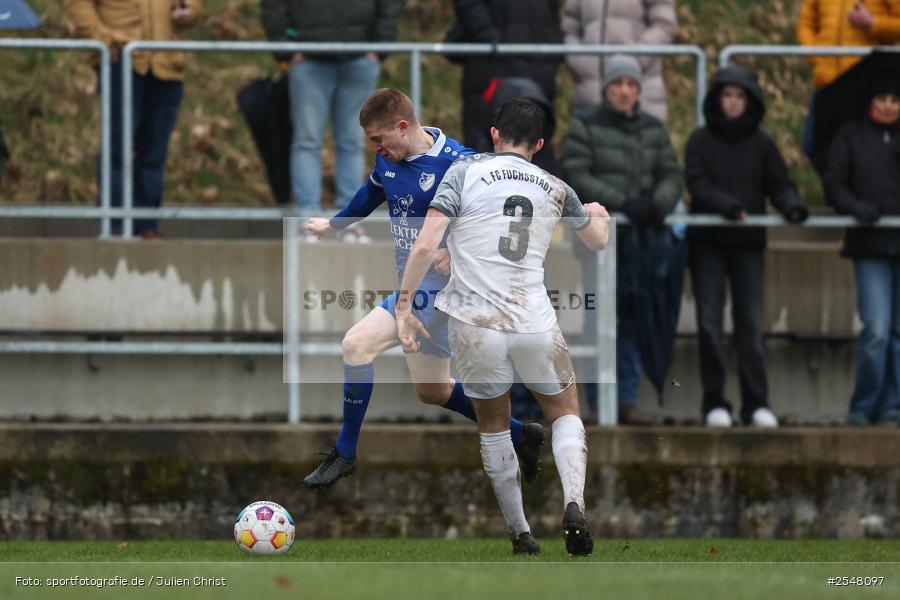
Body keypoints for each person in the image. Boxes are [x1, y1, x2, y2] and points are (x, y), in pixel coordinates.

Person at [396, 99, 610, 556]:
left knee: (493, 424)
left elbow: (424, 246)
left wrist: (403, 305)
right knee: (564, 411)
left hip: (474, 324)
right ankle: (574, 502)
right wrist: (600, 217)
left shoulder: (464, 172)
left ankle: (521, 533)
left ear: (494, 135)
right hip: (534, 320)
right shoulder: (556, 186)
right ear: (539, 144)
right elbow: (595, 240)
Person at [301, 89, 544, 488]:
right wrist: (334, 224)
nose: (376, 148)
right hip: (417, 286)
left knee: (355, 345)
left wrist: (454, 248)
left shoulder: (460, 163)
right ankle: (522, 434)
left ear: (402, 126)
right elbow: (372, 192)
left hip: (444, 291)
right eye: (371, 142)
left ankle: (344, 453)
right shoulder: (388, 159)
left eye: (379, 139)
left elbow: (497, 215)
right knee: (432, 389)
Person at [560, 54, 683, 425]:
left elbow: (671, 174)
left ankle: (624, 400)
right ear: (606, 89)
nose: (625, 92)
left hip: (642, 239)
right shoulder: (584, 126)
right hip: (599, 238)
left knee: (633, 317)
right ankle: (598, 403)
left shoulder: (653, 129)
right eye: (618, 85)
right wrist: (622, 202)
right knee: (600, 317)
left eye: (631, 85)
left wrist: (657, 204)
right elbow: (576, 175)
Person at [685, 66, 809, 429]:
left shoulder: (763, 144)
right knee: (709, 326)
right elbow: (698, 184)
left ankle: (756, 404)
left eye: (740, 96)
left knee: (750, 326)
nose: (733, 103)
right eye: (727, 95)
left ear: (750, 101)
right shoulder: (700, 140)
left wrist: (792, 206)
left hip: (748, 246)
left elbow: (780, 184)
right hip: (707, 245)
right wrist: (728, 206)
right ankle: (714, 404)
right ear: (717, 99)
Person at [65, 0, 204, 239]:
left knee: (154, 152)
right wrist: (103, 39)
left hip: (165, 64)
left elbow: (196, 7)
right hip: (122, 61)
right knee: (117, 147)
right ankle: (115, 222)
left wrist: (190, 11)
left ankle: (145, 223)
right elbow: (78, 4)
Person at [261, 0, 402, 232]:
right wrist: (285, 48)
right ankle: (308, 219)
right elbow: (273, 6)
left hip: (359, 58)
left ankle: (349, 221)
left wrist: (380, 46)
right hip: (309, 58)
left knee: (352, 141)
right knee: (307, 141)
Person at [823, 76, 900, 426]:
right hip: (870, 246)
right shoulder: (850, 136)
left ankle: (892, 406)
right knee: (877, 329)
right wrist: (855, 207)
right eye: (882, 98)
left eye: (895, 100)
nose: (888, 106)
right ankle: (864, 404)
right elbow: (834, 182)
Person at [448, 0, 563, 174]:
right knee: (487, 145)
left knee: (536, 144)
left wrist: (553, 43)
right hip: (491, 65)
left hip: (539, 65)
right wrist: (487, 36)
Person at [796, 0, 900, 159]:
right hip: (826, 81)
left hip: (865, 84)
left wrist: (873, 23)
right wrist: (815, 55)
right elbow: (806, 23)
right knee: (814, 147)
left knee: (864, 153)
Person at [562, 0, 677, 122]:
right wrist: (579, 61)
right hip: (590, 89)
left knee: (643, 136)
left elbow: (664, 25)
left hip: (642, 88)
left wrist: (632, 62)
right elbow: (570, 28)